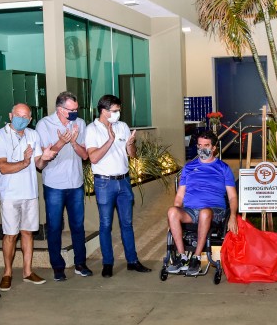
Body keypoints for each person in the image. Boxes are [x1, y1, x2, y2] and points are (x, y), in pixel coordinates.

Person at [0, 104, 57, 291]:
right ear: (11, 115)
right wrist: (25, 161)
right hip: (9, 194)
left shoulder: (33, 134)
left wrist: (45, 157)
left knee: (28, 232)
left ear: (30, 120)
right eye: (18, 115)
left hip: (30, 193)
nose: (21, 119)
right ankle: (7, 273)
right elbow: (3, 167)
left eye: (25, 117)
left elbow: (39, 165)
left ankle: (28, 272)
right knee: (10, 234)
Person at [86, 95, 151, 277]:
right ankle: (108, 263)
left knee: (127, 223)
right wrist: (110, 140)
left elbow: (132, 155)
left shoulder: (122, 126)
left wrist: (130, 145)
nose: (118, 114)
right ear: (103, 111)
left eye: (118, 110)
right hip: (104, 182)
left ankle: (132, 261)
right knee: (105, 224)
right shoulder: (92, 130)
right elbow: (93, 157)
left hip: (124, 181)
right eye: (114, 111)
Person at [36, 92, 92, 281]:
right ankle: (57, 267)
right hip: (54, 184)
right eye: (71, 110)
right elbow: (45, 156)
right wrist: (62, 141)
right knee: (54, 227)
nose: (75, 113)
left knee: (78, 225)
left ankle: (80, 263)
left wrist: (74, 142)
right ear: (60, 109)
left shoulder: (80, 124)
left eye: (77, 109)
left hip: (76, 183)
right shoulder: (44, 124)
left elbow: (85, 156)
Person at [166, 131, 238, 274]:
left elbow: (232, 197)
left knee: (205, 212)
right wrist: (176, 212)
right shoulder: (189, 167)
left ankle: (197, 257)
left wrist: (233, 216)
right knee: (172, 211)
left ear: (213, 148)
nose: (202, 149)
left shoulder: (223, 168)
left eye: (206, 145)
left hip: (215, 211)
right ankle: (183, 257)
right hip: (191, 210)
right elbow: (180, 196)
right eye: (199, 145)